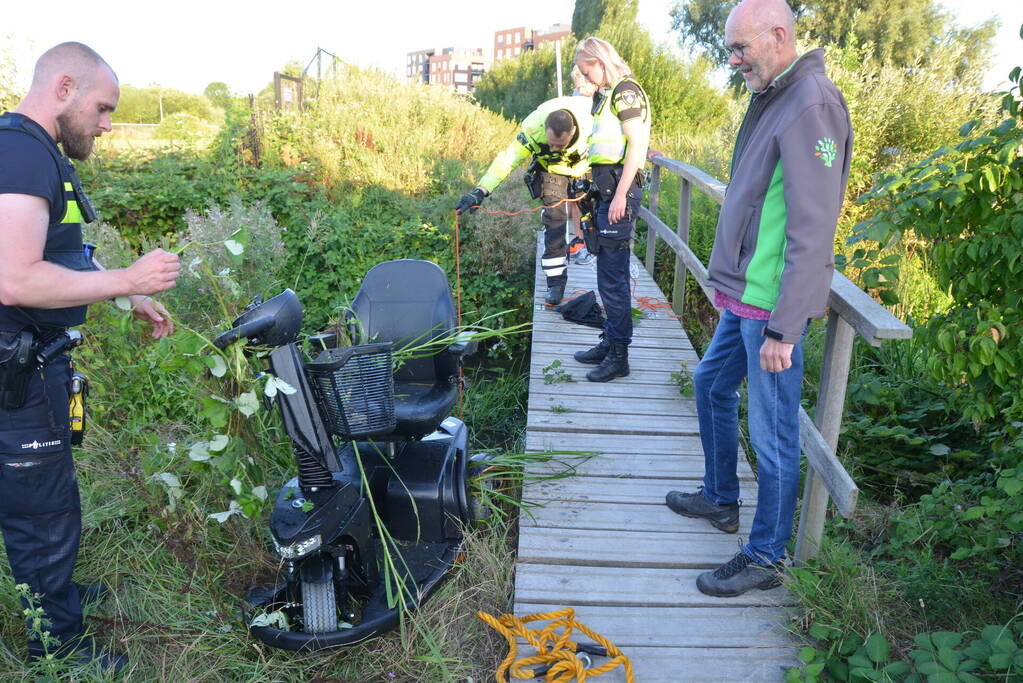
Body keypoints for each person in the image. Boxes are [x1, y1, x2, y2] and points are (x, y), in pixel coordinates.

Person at [0, 42, 180, 671]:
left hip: (37, 363)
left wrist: (125, 293)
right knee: (41, 512)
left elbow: (65, 252)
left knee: (49, 495)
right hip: (15, 371)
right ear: (64, 87)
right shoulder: (20, 154)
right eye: (103, 108)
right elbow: (15, 279)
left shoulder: (40, 152)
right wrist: (128, 278)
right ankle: (58, 649)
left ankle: (56, 596)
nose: (107, 124)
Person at [664, 0, 852, 597]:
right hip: (747, 297)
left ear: (778, 35)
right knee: (710, 385)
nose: (733, 59)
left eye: (741, 47)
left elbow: (812, 229)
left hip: (773, 309)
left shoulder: (811, 105)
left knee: (773, 435)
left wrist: (786, 327)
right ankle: (721, 498)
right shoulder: (776, 95)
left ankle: (767, 556)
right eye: (730, 48)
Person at [455, 83, 594, 306]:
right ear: (544, 131)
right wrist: (480, 191)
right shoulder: (533, 129)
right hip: (552, 171)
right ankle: (555, 284)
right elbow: (507, 159)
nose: (555, 149)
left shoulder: (591, 125)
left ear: (573, 132)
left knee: (596, 222)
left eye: (560, 145)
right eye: (551, 144)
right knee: (554, 223)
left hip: (583, 170)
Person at [571, 37, 650, 383]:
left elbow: (638, 143)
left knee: (613, 279)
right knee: (607, 275)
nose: (587, 79)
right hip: (607, 190)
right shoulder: (610, 94)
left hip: (619, 192)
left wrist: (620, 195)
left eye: (588, 71)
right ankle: (610, 341)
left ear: (600, 62)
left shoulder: (625, 91)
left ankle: (619, 357)